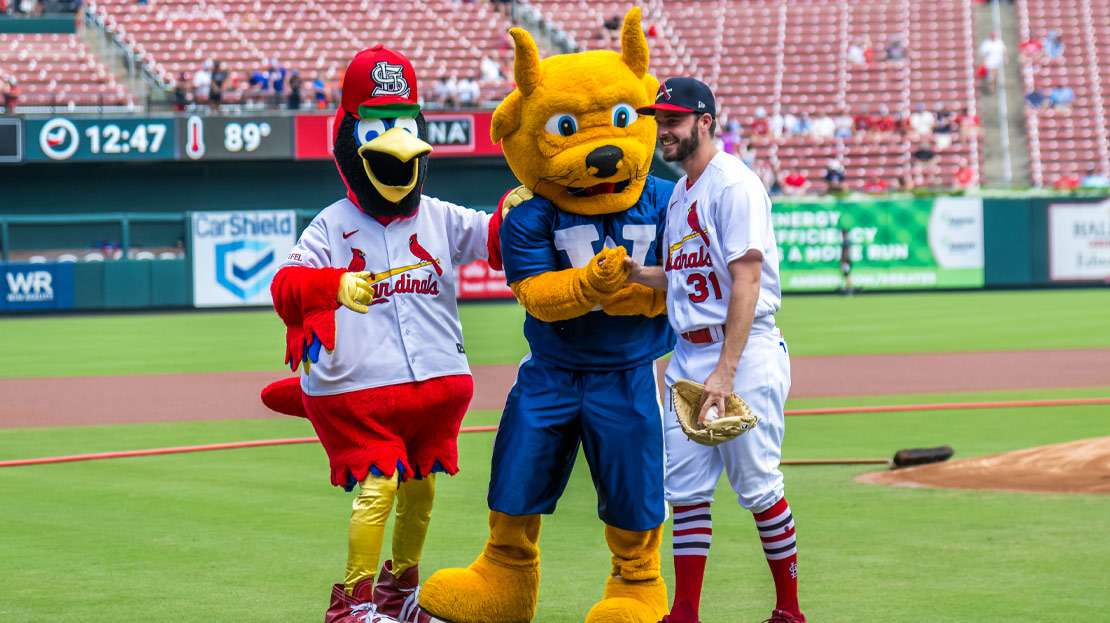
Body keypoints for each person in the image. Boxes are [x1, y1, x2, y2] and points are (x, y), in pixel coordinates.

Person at [264, 45, 496, 623]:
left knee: (421, 487)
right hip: (359, 391)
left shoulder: (439, 216)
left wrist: (525, 210)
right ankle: (352, 605)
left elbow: (495, 240)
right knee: (379, 485)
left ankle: (398, 595)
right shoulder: (332, 224)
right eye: (377, 126)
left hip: (431, 390)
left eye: (402, 124)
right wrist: (334, 286)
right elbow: (286, 284)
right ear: (349, 136)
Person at [629, 76, 804, 623]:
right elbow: (686, 279)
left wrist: (725, 373)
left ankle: (789, 610)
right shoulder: (681, 194)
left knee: (757, 485)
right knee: (685, 489)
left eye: (673, 121)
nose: (664, 131)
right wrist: (637, 275)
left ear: (705, 122)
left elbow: (745, 280)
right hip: (688, 355)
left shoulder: (734, 185)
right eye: (659, 121)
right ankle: (684, 612)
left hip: (742, 353)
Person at [839, 228, 854, 294]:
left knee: (847, 275)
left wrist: (843, 261)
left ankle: (849, 289)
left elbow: (846, 252)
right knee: (846, 275)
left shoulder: (846, 241)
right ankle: (848, 288)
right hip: (847, 260)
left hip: (846, 261)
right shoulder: (847, 241)